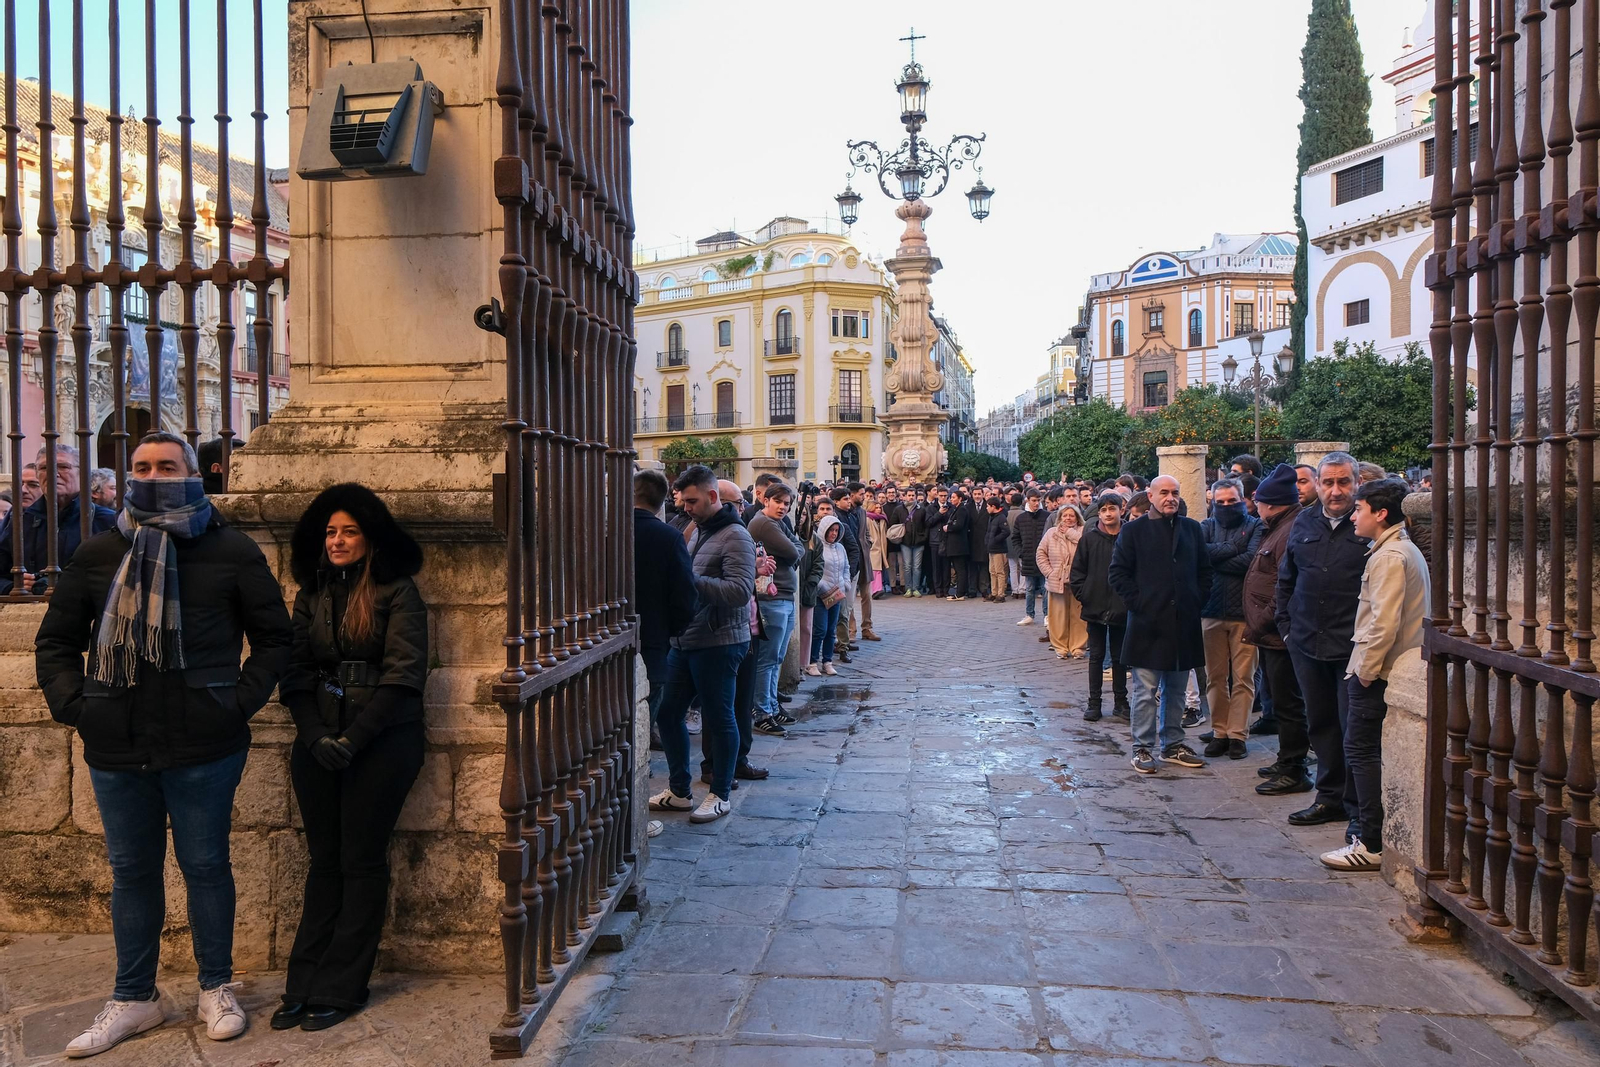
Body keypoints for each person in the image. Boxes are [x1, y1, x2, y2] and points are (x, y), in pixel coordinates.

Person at [35, 431, 292, 1056]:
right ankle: (135, 996)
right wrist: (78, 709)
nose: (154, 477)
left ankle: (215, 987)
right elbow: (56, 641)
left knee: (206, 865)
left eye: (167, 466)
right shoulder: (100, 551)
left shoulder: (231, 549)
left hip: (206, 740)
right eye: (143, 467)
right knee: (132, 871)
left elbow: (275, 639)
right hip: (117, 740)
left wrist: (233, 702)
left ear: (192, 473)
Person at [273, 484, 428, 1031]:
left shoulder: (397, 591)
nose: (337, 541)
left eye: (349, 531)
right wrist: (316, 736)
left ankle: (341, 985)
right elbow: (294, 669)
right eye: (331, 532)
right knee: (324, 860)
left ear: (370, 538)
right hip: (319, 740)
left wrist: (353, 740)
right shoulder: (311, 594)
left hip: (382, 742)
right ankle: (303, 982)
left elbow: (404, 674)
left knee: (361, 859)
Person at [1322, 478, 1429, 871]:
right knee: (1363, 751)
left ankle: (1370, 841)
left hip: (1380, 672)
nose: (1354, 516)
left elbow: (1383, 623)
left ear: (1381, 514)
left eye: (1359, 509)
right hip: (1384, 669)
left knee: (1361, 752)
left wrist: (1365, 673)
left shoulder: (1390, 556)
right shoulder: (1395, 550)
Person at [648, 465, 755, 825]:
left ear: (712, 496)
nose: (685, 508)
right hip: (686, 639)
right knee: (668, 713)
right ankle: (680, 791)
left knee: (719, 717)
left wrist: (688, 579)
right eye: (682, 502)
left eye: (692, 501)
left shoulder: (736, 535)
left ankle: (720, 794)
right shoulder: (697, 530)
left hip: (719, 641)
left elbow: (739, 592)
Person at [1276, 452, 1369, 840]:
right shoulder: (1304, 521)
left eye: (1343, 482)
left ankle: (1359, 811)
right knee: (1321, 723)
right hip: (1307, 642)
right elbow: (1287, 578)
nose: (1335, 491)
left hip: (1352, 646)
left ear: (1356, 482)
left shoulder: (1368, 524)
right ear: (1317, 484)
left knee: (1354, 731)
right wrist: (1286, 627)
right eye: (1328, 483)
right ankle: (1329, 797)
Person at [1108, 475, 1211, 774]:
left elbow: (1205, 571)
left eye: (1175, 492)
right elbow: (1118, 573)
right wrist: (1140, 603)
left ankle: (1173, 744)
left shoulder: (1192, 529)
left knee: (1177, 691)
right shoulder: (1134, 531)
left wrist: (1195, 600)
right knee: (1145, 691)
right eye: (1164, 492)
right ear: (1150, 496)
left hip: (1183, 624)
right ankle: (1142, 747)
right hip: (1148, 624)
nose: (1170, 498)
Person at [1243, 465, 1314, 797]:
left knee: (1289, 705)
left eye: (1258, 501)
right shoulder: (1279, 526)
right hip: (1271, 634)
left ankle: (1294, 768)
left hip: (1280, 633)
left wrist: (1263, 620)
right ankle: (1287, 759)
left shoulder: (1289, 530)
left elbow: (1286, 586)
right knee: (1284, 703)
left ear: (1269, 503)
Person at [632, 470, 697, 750]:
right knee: (645, 716)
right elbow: (685, 593)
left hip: (606, 634)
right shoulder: (669, 537)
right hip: (655, 639)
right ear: (662, 502)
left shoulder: (608, 530)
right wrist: (674, 629)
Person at [1198, 478, 1262, 760]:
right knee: (1215, 677)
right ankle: (1219, 731)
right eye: (1220, 501)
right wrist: (1236, 547)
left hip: (1244, 614)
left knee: (1243, 679)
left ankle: (1238, 734)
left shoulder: (1256, 526)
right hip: (1210, 611)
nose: (1226, 505)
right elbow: (1200, 557)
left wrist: (1218, 556)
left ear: (1243, 499)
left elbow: (1252, 561)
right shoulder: (1205, 526)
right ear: (1212, 502)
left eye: (1232, 500)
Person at [748, 481, 804, 739]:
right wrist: (794, 550)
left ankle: (771, 705)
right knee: (768, 659)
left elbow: (798, 547)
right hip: (772, 599)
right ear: (765, 500)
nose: (783, 507)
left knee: (777, 657)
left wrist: (795, 549)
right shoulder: (764, 524)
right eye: (778, 502)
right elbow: (794, 552)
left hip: (783, 597)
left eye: (787, 504)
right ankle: (762, 712)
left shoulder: (777, 523)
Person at [1072, 493, 1129, 721]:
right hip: (1095, 606)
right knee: (1096, 656)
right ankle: (1094, 702)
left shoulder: (1129, 537)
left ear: (1121, 510)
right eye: (1103, 510)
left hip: (1122, 607)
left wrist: (1131, 599)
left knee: (1119, 657)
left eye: (1112, 509)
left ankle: (1121, 702)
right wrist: (1085, 595)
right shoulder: (1089, 539)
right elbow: (1077, 572)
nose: (1108, 514)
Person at [1037, 502, 1086, 658]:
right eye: (1065, 515)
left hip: (1078, 581)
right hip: (1056, 581)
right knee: (1058, 616)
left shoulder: (1083, 531)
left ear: (1077, 518)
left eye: (1072, 515)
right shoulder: (1051, 533)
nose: (1068, 518)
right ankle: (1060, 647)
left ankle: (1078, 647)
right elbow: (1041, 554)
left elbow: (1087, 547)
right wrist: (1049, 573)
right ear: (1059, 518)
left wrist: (1070, 533)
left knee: (1079, 616)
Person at [807, 513, 852, 676]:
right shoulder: (816, 546)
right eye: (831, 530)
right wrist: (822, 587)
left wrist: (845, 584)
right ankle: (812, 662)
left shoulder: (840, 548)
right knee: (820, 629)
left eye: (836, 530)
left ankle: (827, 661)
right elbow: (813, 569)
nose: (833, 533)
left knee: (831, 630)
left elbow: (846, 568)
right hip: (820, 595)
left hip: (837, 594)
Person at [1012, 489, 1049, 623]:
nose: (1036, 503)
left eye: (1038, 500)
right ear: (1027, 500)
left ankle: (1047, 615)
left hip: (1045, 558)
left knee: (1045, 588)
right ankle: (1029, 614)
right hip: (1028, 558)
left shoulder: (1047, 516)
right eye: (1033, 500)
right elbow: (1015, 538)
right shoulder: (1021, 518)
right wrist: (1021, 552)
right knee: (1029, 588)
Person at [899, 486, 928, 597]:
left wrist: (923, 537)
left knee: (917, 567)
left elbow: (926, 525)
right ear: (905, 496)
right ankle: (908, 588)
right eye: (909, 495)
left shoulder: (921, 509)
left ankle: (915, 588)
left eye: (913, 495)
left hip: (919, 542)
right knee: (907, 566)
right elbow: (894, 523)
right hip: (905, 542)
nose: (911, 497)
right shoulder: (899, 509)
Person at [983, 496, 1010, 602]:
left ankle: (1001, 594)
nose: (986, 508)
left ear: (993, 507)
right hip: (992, 548)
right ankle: (994, 592)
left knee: (1000, 572)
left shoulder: (1001, 517)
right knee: (992, 571)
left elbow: (1006, 531)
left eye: (988, 506)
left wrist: (995, 540)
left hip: (999, 548)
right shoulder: (992, 517)